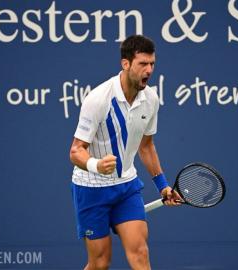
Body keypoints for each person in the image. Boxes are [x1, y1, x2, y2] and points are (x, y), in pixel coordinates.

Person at [69, 34, 181, 270]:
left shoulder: (151, 99)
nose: (149, 70)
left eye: (152, 64)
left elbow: (146, 145)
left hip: (126, 187)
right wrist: (96, 165)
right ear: (126, 64)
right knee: (99, 263)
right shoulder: (98, 99)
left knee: (140, 253)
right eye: (143, 64)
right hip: (91, 188)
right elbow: (76, 151)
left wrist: (163, 185)